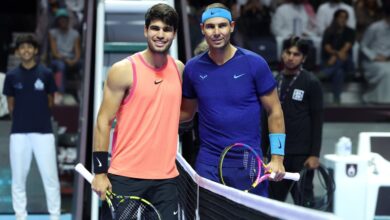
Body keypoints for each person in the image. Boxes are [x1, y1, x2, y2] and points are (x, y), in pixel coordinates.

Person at [180, 3, 286, 197]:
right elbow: (186, 113)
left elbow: (275, 111)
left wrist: (277, 158)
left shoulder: (254, 63)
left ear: (232, 27)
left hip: (248, 162)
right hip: (208, 162)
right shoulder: (193, 69)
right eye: (211, 26)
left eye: (222, 25)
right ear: (202, 29)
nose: (217, 31)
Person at [91, 4, 183, 220]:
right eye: (155, 28)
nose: (160, 35)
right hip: (125, 177)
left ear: (174, 34)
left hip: (166, 180)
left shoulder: (179, 70)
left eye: (167, 29)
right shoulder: (122, 70)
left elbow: (180, 113)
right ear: (145, 30)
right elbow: (103, 121)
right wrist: (100, 172)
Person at [2, 34, 60, 220]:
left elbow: (51, 101)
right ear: (18, 51)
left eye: (29, 47)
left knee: (50, 177)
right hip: (18, 133)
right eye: (22, 48)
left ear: (35, 50)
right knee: (18, 179)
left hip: (44, 132)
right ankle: (20, 216)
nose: (26, 50)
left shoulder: (46, 74)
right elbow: (11, 105)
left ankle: (55, 215)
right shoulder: (11, 76)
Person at [267, 36, 323, 205]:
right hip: (277, 153)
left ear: (304, 58)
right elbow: (266, 117)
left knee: (303, 202)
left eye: (296, 54)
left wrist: (314, 154)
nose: (291, 57)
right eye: (288, 52)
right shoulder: (274, 81)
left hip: (301, 154)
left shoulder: (311, 82)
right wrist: (264, 151)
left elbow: (317, 119)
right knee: (273, 202)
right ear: (282, 54)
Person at [320, 9, 355, 104]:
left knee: (342, 60)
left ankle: (325, 73)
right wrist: (336, 54)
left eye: (345, 18)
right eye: (341, 17)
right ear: (335, 18)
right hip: (333, 63)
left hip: (347, 63)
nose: (343, 20)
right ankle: (337, 99)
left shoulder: (350, 31)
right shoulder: (329, 31)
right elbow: (327, 47)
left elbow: (346, 48)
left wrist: (335, 56)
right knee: (338, 72)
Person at [48, 8, 81, 103]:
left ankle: (82, 92)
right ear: (57, 21)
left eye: (64, 19)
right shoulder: (53, 33)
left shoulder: (75, 34)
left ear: (68, 20)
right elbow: (55, 52)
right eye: (60, 19)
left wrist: (73, 61)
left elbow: (77, 52)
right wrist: (65, 60)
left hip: (71, 59)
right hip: (58, 59)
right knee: (60, 66)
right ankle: (60, 93)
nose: (62, 21)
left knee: (82, 65)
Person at [360, 8, 390, 104]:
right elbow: (363, 46)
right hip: (372, 61)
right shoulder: (374, 27)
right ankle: (379, 100)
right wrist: (375, 57)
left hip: (387, 60)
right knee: (386, 72)